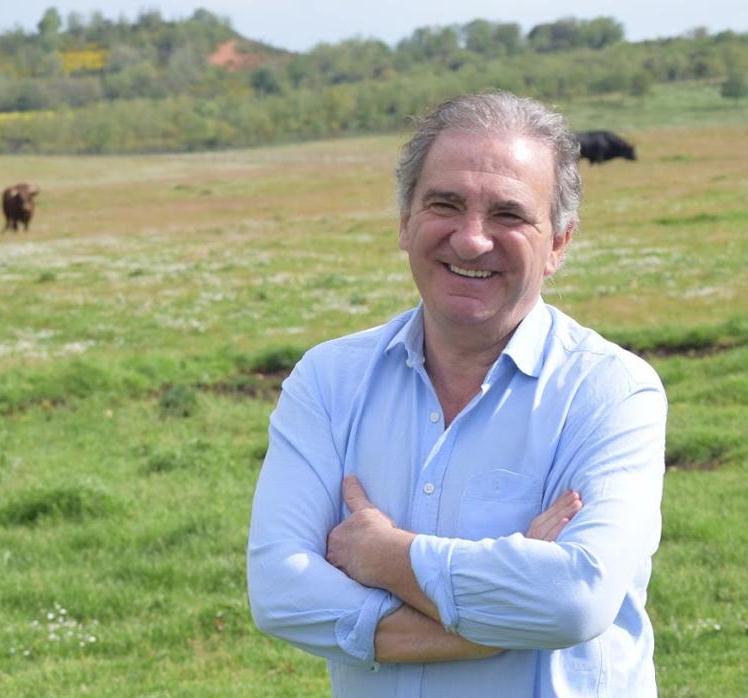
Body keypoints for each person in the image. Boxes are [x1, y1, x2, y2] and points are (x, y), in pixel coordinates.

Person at [246, 92, 666, 696]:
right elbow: (280, 592)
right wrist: (501, 616)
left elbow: (575, 600)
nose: (471, 240)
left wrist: (387, 556)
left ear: (558, 245)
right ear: (404, 222)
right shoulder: (328, 379)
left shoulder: (612, 391)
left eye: (509, 214)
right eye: (445, 204)